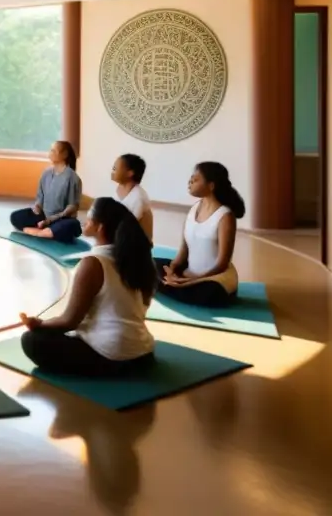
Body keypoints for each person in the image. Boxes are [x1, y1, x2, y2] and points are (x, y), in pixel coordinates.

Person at [19, 197, 157, 376]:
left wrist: (40, 324)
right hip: (144, 354)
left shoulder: (93, 263)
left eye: (90, 216)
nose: (85, 220)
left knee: (31, 340)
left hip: (113, 357)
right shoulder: (139, 260)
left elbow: (69, 321)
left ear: (100, 227)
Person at [156, 162, 245, 307]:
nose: (190, 182)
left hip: (212, 279)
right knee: (148, 265)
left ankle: (173, 287)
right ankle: (174, 286)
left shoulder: (225, 216)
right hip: (187, 273)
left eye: (195, 179)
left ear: (211, 186)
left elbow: (222, 263)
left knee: (211, 293)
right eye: (191, 178)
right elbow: (183, 252)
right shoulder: (193, 210)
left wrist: (193, 280)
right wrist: (171, 270)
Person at [9, 140, 82, 243]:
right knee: (15, 217)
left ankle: (38, 232)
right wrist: (37, 207)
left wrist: (51, 220)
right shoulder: (46, 173)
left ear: (64, 154)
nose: (50, 153)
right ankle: (47, 232)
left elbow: (72, 206)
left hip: (61, 219)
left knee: (72, 225)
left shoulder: (72, 178)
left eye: (53, 150)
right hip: (43, 216)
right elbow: (40, 197)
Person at [113, 154, 153, 242]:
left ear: (130, 173)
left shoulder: (138, 197)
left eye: (115, 169)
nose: (113, 171)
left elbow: (127, 226)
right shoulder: (119, 189)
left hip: (135, 246)